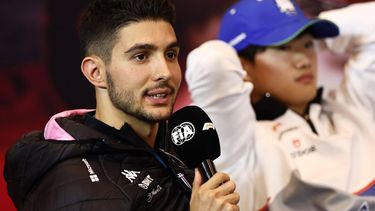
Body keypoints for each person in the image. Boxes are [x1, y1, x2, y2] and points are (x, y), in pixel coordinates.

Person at [3, 0, 240, 210]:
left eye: (170, 54)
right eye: (141, 56)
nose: (165, 72)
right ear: (96, 72)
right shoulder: (75, 191)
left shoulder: (174, 143)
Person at [185, 0, 375, 210]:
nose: (303, 60)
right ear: (242, 65)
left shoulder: (352, 104)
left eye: (308, 45)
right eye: (284, 47)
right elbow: (210, 62)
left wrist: (322, 32)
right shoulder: (241, 145)